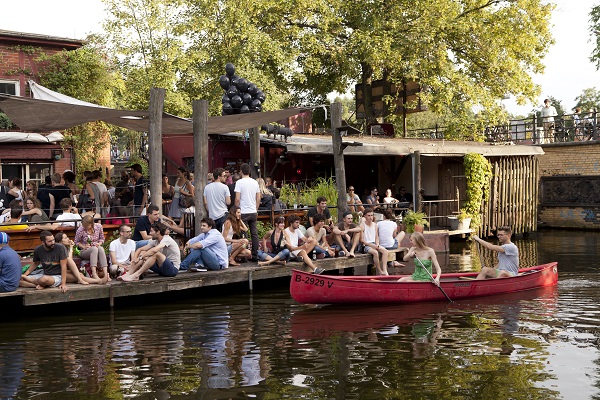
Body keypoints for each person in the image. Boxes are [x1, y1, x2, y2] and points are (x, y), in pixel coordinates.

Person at [234, 163, 260, 261]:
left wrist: (236, 209)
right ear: (249, 172)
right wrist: (256, 209)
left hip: (243, 211)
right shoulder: (255, 182)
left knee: (244, 233)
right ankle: (255, 255)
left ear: (241, 171)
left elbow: (237, 199)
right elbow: (258, 198)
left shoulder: (239, 182)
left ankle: (244, 256)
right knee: (254, 234)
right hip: (253, 211)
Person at [74, 214, 109, 282]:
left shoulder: (98, 227)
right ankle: (94, 273)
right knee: (94, 249)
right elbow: (76, 242)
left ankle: (106, 274)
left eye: (86, 225)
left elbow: (102, 238)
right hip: (84, 251)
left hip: (96, 247)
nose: (85, 227)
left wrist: (99, 243)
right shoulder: (81, 229)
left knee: (100, 248)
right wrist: (84, 246)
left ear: (91, 223)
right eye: (84, 225)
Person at [359, 208, 390, 275]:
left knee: (385, 251)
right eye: (369, 215)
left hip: (374, 243)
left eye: (372, 215)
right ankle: (379, 270)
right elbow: (361, 240)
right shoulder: (362, 225)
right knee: (375, 252)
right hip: (366, 245)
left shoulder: (375, 225)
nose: (370, 217)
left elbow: (376, 237)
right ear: (365, 216)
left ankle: (385, 270)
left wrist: (377, 244)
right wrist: (371, 245)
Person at [203, 168, 231, 232]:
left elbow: (205, 202)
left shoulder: (207, 187)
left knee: (214, 236)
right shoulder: (225, 187)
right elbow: (228, 202)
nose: (225, 177)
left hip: (212, 215)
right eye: (224, 176)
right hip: (223, 214)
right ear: (219, 176)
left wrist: (210, 211)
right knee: (224, 236)